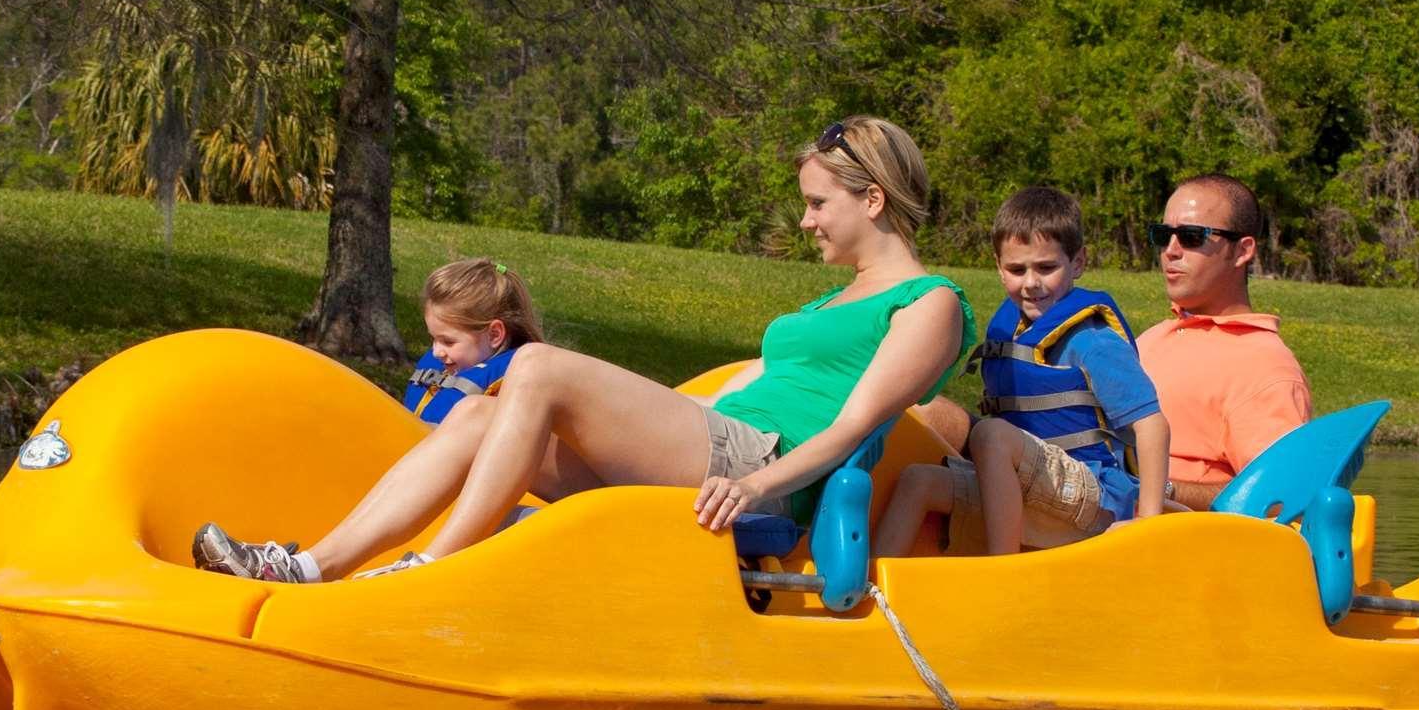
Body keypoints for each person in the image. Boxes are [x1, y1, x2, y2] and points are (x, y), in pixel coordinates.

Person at [192, 118, 968, 583]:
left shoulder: (928, 303)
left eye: (817, 204)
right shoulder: (829, 303)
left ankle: (432, 572)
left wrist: (758, 483)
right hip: (721, 442)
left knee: (534, 365)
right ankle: (306, 567)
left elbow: (850, 428)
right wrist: (634, 414)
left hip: (759, 468)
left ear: (872, 199)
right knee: (474, 418)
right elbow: (735, 396)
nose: (806, 222)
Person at [881, 185, 1168, 556]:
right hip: (1031, 488)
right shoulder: (1014, 330)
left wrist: (1148, 522)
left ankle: (1005, 568)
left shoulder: (1093, 342)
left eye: (1046, 267)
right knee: (918, 481)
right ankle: (872, 593)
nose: (1031, 283)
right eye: (1017, 269)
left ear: (1077, 262)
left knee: (990, 434)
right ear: (1000, 270)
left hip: (1091, 499)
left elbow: (1153, 425)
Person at [1138, 173, 1311, 506]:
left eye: (1191, 237)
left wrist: (1157, 489)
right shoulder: (1151, 339)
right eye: (1163, 235)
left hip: (1168, 546)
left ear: (1242, 251)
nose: (1171, 251)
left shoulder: (1264, 367)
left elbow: (1281, 501)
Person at [402, 258, 539, 425]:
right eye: (434, 338)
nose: (436, 352)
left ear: (494, 335)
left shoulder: (515, 394)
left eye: (448, 341)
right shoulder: (447, 368)